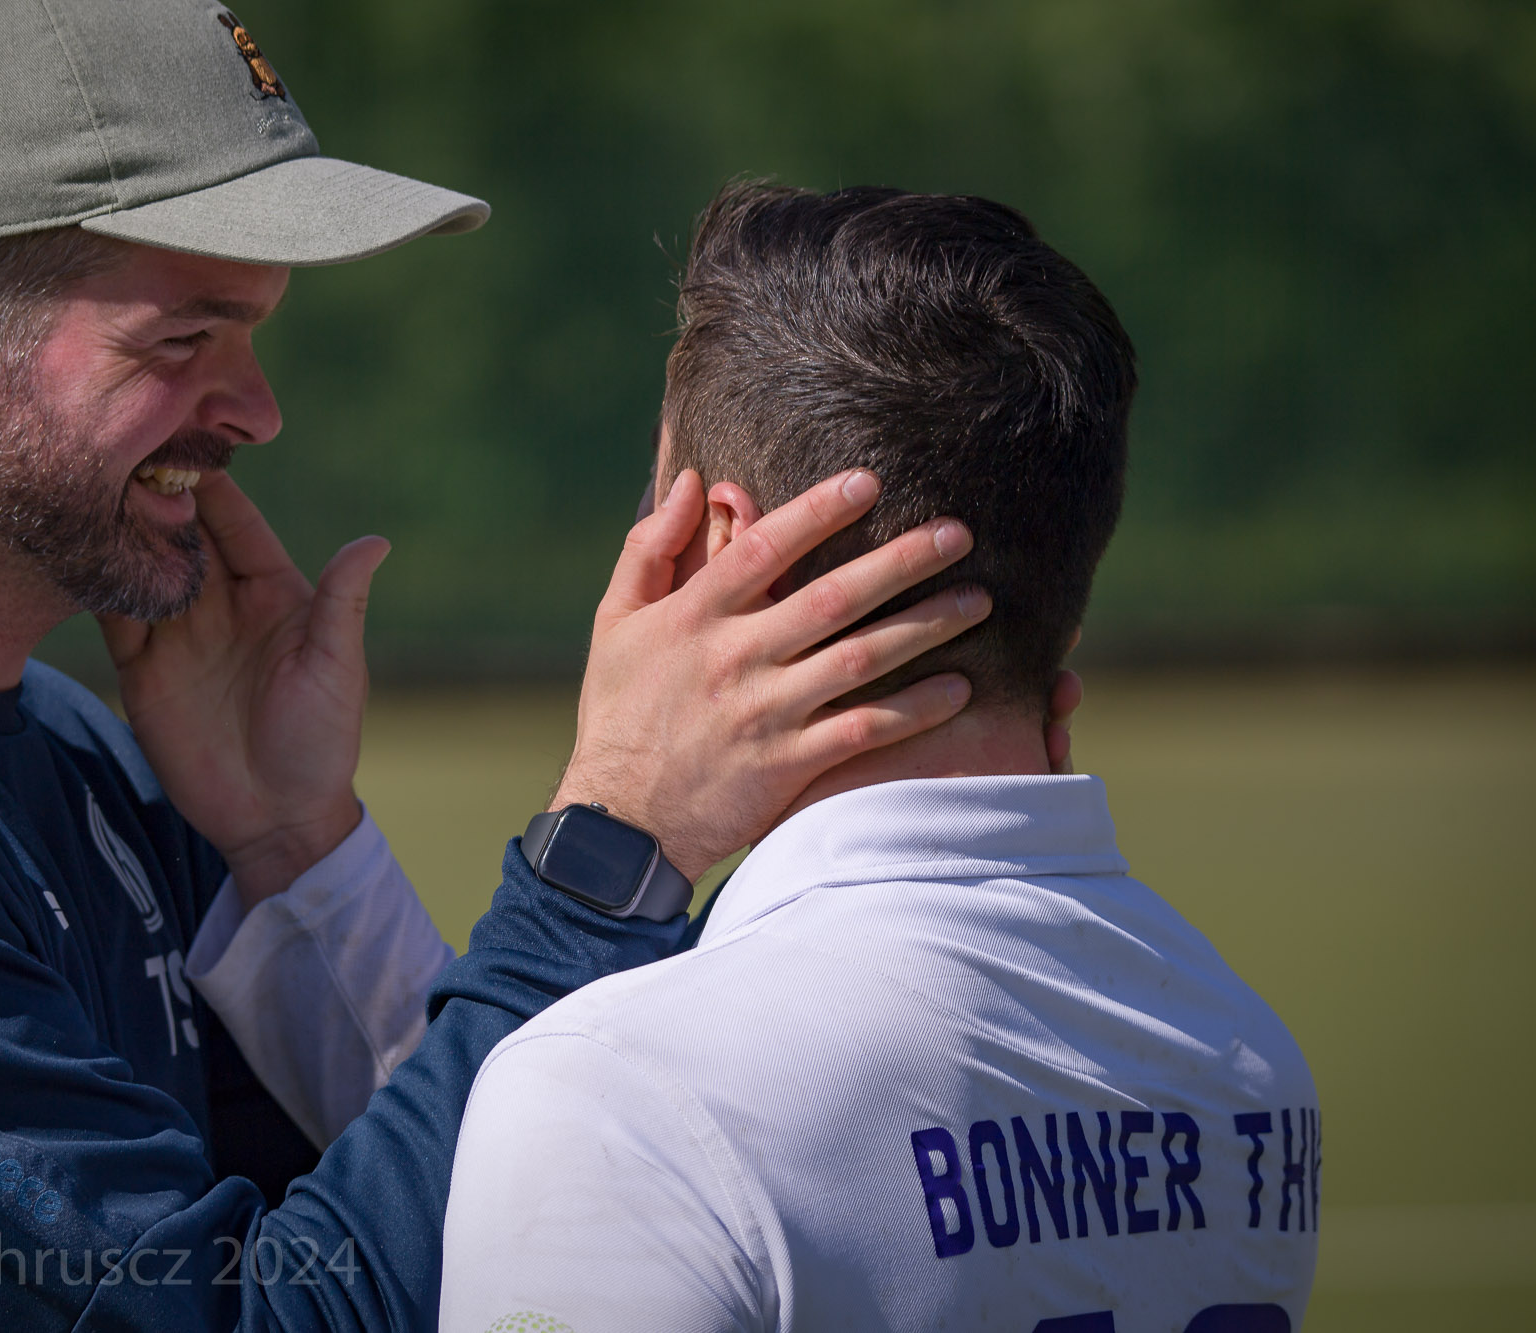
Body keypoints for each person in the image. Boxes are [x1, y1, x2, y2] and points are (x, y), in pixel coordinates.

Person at [0, 6, 1012, 1330]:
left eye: (252, 335)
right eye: (182, 338)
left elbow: (420, 1220)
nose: (256, 411)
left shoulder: (66, 748)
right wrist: (612, 843)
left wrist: (290, 850)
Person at [440, 183, 1319, 1332]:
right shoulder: (1246, 1057)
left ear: (725, 545)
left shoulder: (611, 1094)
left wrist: (604, 820)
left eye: (654, 498)